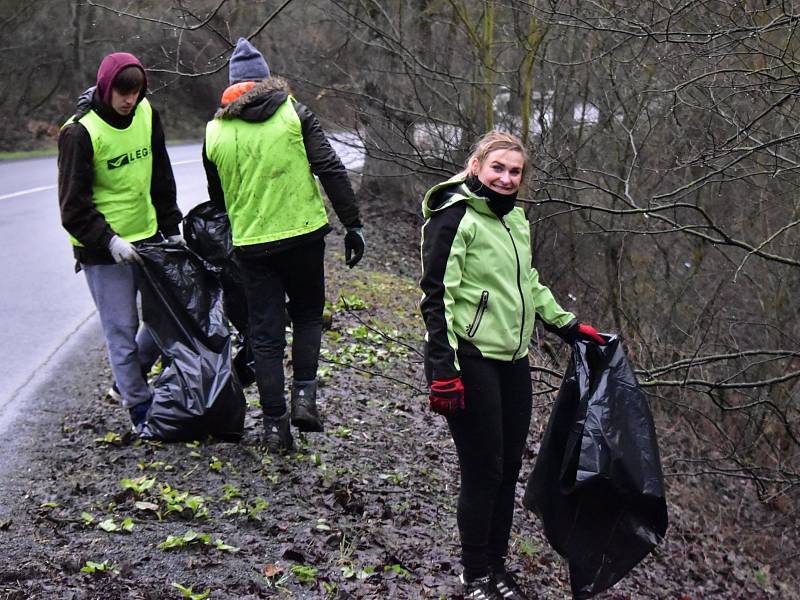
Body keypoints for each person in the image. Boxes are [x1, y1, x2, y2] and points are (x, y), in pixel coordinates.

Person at [419, 131, 605, 600]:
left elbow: (528, 284)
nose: (506, 178)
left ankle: (496, 570)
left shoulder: (516, 220)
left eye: (515, 171)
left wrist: (568, 326)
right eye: (497, 168)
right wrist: (443, 368)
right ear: (476, 165)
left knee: (505, 471)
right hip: (472, 357)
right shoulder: (454, 216)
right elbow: (435, 298)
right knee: (483, 470)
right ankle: (475, 574)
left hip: (514, 358)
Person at [202, 38, 365, 453]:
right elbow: (329, 167)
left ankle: (275, 427)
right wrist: (353, 224)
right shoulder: (294, 112)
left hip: (253, 246)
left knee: (266, 336)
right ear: (267, 81)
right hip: (304, 236)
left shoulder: (215, 131)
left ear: (233, 88)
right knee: (309, 316)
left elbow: (219, 200)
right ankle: (305, 398)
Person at [58, 52, 183, 433]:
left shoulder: (147, 114)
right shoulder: (80, 133)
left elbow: (160, 173)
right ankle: (140, 408)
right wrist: (110, 241)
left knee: (168, 318)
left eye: (136, 92)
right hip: (101, 250)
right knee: (121, 331)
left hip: (147, 236)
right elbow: (72, 208)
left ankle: (127, 378)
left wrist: (171, 226)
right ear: (105, 87)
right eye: (122, 92)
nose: (130, 101)